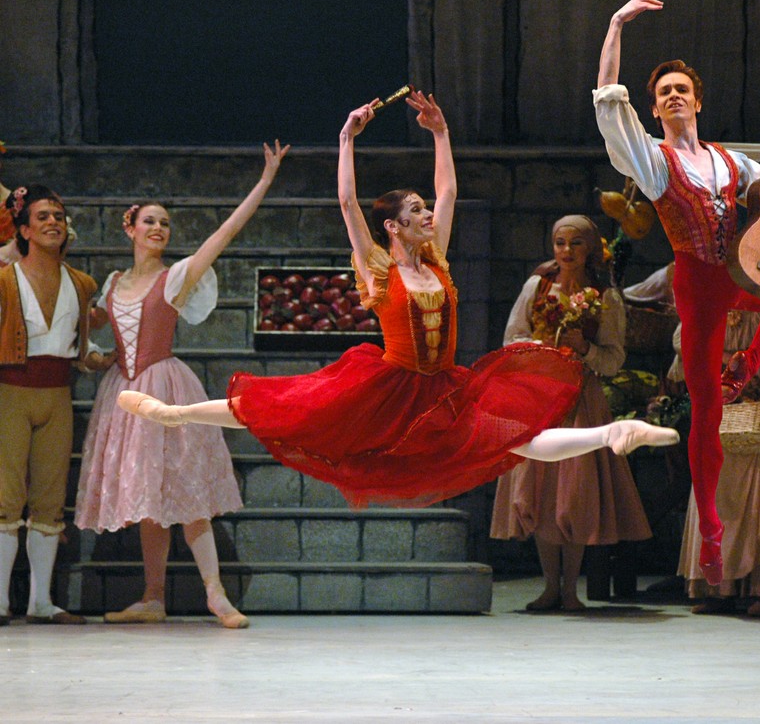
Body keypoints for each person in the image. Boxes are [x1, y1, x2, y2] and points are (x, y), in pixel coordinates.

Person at [117, 92, 679, 509]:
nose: (428, 214)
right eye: (416, 211)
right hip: (388, 386)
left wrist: (441, 134)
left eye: (424, 208)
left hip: (444, 388)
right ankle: (176, 414)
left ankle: (612, 434)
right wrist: (346, 140)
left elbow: (449, 190)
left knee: (520, 438)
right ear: (393, 225)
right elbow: (346, 203)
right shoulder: (379, 271)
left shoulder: (437, 261)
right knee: (290, 406)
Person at [594, 0, 760, 584]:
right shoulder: (654, 161)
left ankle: (750, 358)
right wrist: (616, 27)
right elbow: (608, 104)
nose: (674, 96)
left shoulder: (731, 160)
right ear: (656, 110)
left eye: (682, 89)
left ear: (697, 101)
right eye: (664, 93)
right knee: (704, 410)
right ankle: (710, 533)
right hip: (698, 285)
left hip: (738, 272)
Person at [75, 142, 290, 629]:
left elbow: (224, 234)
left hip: (165, 386)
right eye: (149, 221)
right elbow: (89, 325)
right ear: (130, 228)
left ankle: (216, 594)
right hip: (124, 393)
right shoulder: (112, 283)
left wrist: (264, 181)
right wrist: (94, 356)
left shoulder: (175, 277)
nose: (158, 228)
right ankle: (153, 596)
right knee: (149, 498)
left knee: (187, 492)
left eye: (165, 223)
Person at [490, 215, 652, 611]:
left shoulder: (605, 296)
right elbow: (512, 337)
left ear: (590, 248)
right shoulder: (538, 286)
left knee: (575, 492)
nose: (566, 251)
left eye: (576, 243)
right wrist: (539, 349)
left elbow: (613, 359)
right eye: (560, 242)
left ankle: (570, 590)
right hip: (541, 397)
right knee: (542, 490)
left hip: (581, 400)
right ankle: (550, 586)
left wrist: (585, 349)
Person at [0, 185, 98, 625]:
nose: (53, 222)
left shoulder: (81, 283)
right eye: (43, 216)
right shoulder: (5, 280)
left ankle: (41, 602)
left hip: (58, 393)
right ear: (23, 230)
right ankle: (0, 600)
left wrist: (99, 358)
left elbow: (81, 344)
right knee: (5, 497)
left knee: (50, 498)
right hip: (10, 390)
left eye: (58, 216)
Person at [678, 311, 760, 616]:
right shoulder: (712, 298)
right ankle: (718, 590)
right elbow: (682, 336)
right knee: (717, 492)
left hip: (759, 403)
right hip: (719, 398)